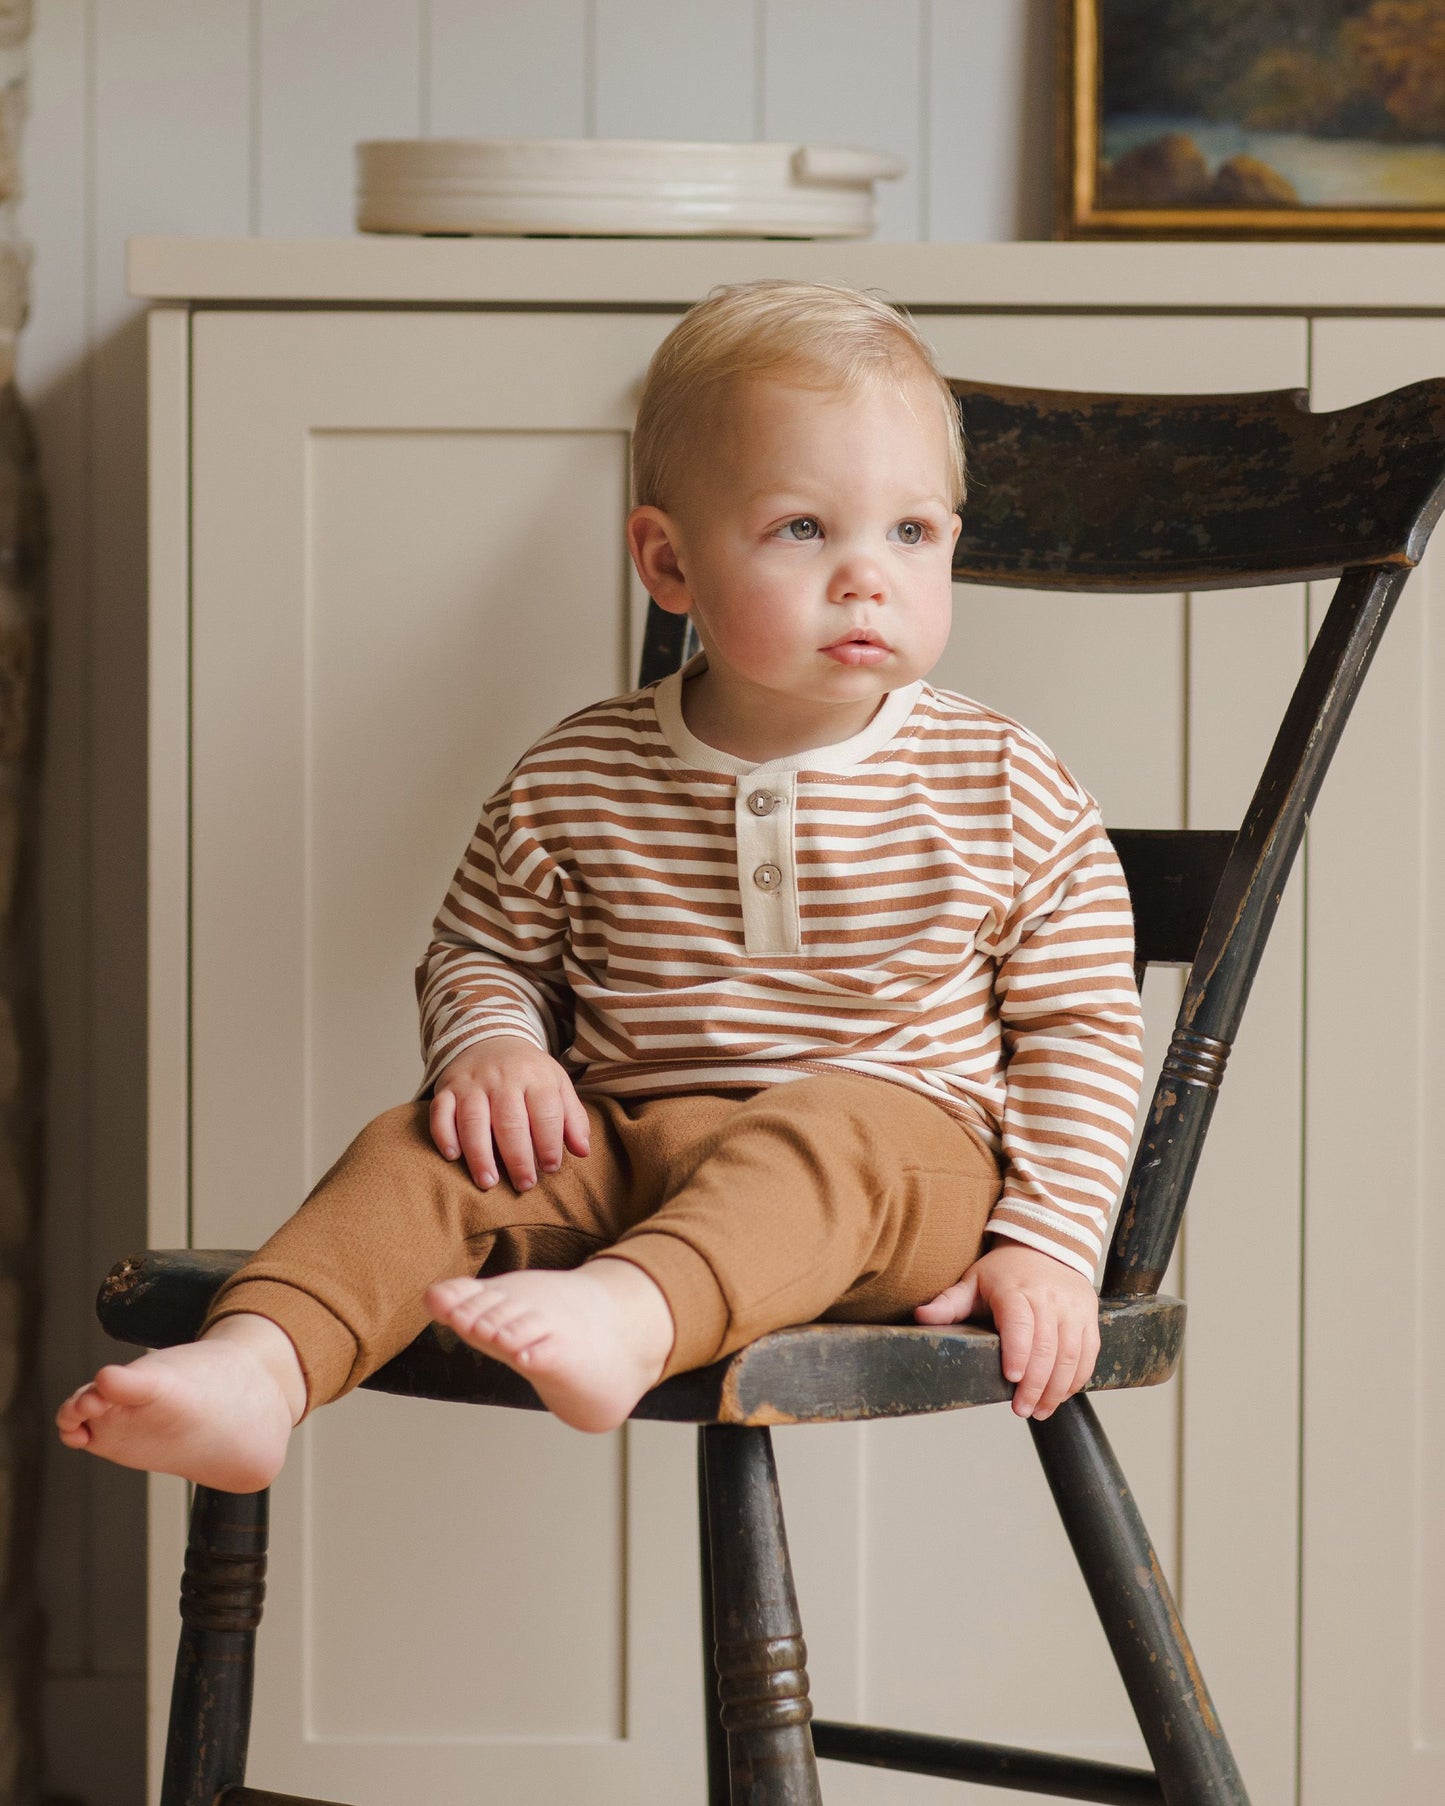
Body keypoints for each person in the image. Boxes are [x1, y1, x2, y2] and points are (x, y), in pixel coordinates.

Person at [57, 280, 1145, 1494]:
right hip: (631, 1142)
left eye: (911, 532)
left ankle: (631, 1314)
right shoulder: (575, 772)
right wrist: (493, 1051)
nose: (865, 577)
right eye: (801, 529)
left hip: (899, 1165)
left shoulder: (998, 777)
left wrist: (1046, 1242)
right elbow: (483, 952)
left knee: (828, 1127)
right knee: (419, 1151)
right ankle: (259, 1367)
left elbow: (1081, 1024)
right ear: (666, 561)